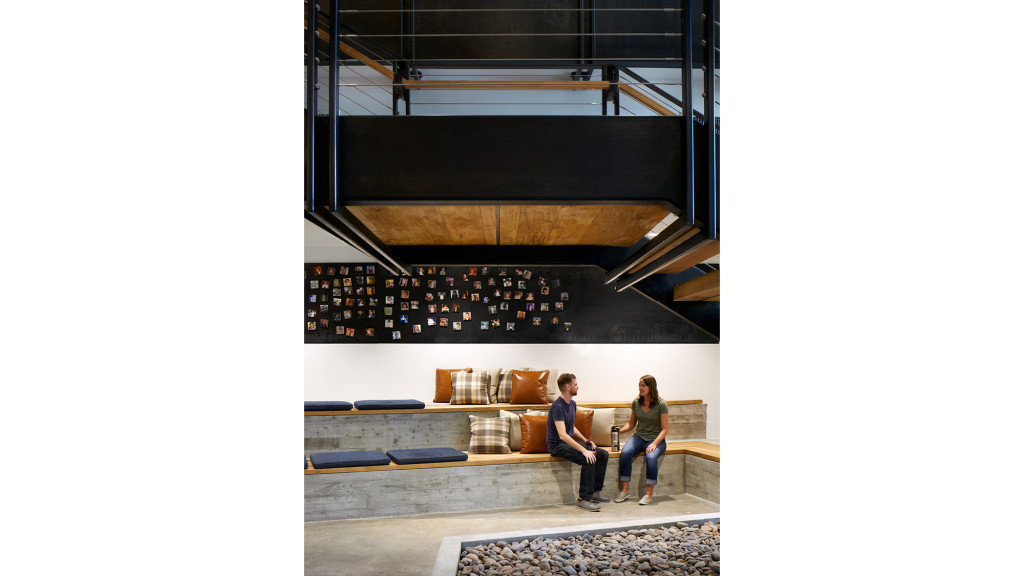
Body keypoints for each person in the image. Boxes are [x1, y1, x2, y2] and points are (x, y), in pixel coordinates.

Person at [547, 373, 610, 511]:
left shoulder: (572, 404)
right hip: (557, 445)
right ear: (568, 386)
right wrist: (584, 450)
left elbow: (571, 427)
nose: (578, 386)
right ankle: (583, 499)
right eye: (575, 384)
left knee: (603, 454)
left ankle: (594, 492)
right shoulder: (557, 406)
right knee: (589, 458)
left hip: (568, 443)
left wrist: (585, 441)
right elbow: (563, 435)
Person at [615, 375, 669, 505]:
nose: (640, 388)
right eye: (639, 385)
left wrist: (655, 443)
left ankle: (649, 495)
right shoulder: (636, 402)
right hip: (639, 437)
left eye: (643, 385)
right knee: (625, 453)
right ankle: (625, 490)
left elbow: (665, 429)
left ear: (651, 387)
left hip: (656, 439)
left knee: (651, 458)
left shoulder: (661, 404)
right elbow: (631, 424)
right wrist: (619, 430)